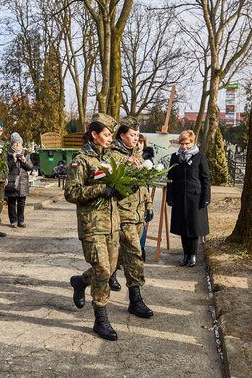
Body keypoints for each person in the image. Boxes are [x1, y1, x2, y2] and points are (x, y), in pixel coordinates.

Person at [66, 113, 121, 341]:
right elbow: (71, 192)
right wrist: (99, 190)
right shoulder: (82, 160)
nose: (110, 139)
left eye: (111, 135)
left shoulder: (112, 158)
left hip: (112, 224)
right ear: (94, 135)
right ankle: (101, 319)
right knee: (104, 271)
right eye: (106, 135)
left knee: (109, 267)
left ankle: (80, 281)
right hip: (92, 225)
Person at [108, 119, 154, 318]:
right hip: (123, 213)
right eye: (132, 135)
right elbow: (112, 181)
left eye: (137, 135)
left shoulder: (136, 153)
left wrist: (149, 205)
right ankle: (135, 299)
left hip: (138, 213)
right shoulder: (113, 155)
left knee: (123, 253)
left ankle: (99, 275)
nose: (136, 139)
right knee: (135, 252)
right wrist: (124, 166)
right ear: (121, 135)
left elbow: (143, 183)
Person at [166, 130, 210, 267]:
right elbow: (170, 178)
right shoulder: (175, 157)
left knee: (193, 228)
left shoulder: (200, 156)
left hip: (195, 197)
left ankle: (193, 255)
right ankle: (185, 254)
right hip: (180, 196)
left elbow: (206, 179)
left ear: (192, 142)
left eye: (187, 143)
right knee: (183, 228)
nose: (184, 146)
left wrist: (206, 197)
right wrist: (170, 196)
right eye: (182, 143)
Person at [5, 132, 33, 228]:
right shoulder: (8, 153)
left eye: (19, 143)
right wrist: (13, 160)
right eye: (15, 143)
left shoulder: (26, 153)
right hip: (12, 181)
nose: (17, 145)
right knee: (12, 202)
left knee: (22, 202)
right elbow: (6, 167)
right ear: (12, 144)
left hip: (23, 181)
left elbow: (30, 167)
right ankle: (13, 221)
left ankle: (21, 221)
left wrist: (25, 161)